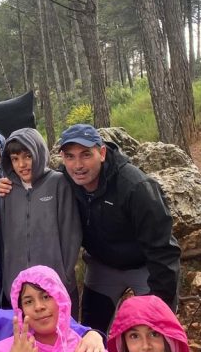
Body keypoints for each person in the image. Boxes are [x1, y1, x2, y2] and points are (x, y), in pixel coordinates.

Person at [58, 124, 182, 333]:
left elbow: (162, 249)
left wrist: (162, 304)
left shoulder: (135, 187)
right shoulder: (63, 182)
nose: (78, 165)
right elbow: (33, 183)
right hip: (102, 265)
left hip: (144, 265)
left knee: (155, 329)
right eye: (70, 156)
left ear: (102, 153)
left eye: (86, 154)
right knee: (91, 331)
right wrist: (5, 185)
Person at [0, 129, 81, 313]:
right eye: (15, 159)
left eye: (28, 156)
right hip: (20, 290)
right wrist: (8, 281)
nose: (22, 164)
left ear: (39, 153)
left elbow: (71, 234)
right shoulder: (7, 191)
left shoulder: (59, 183)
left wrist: (64, 276)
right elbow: (5, 241)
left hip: (56, 285)